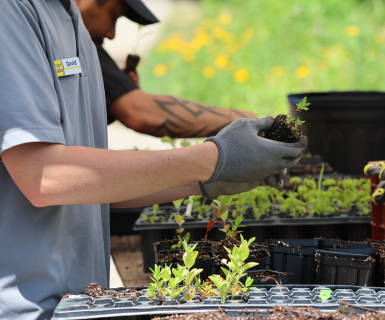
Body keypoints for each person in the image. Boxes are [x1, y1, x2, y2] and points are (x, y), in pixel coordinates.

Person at [0, 0, 306, 319]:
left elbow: (85, 186)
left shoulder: (72, 20)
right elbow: (44, 176)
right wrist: (212, 157)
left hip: (78, 305)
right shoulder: (12, 11)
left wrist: (212, 178)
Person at [77, 0, 257, 138]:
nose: (112, 33)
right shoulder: (78, 46)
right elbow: (142, 113)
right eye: (113, 16)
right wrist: (247, 120)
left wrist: (113, 99)